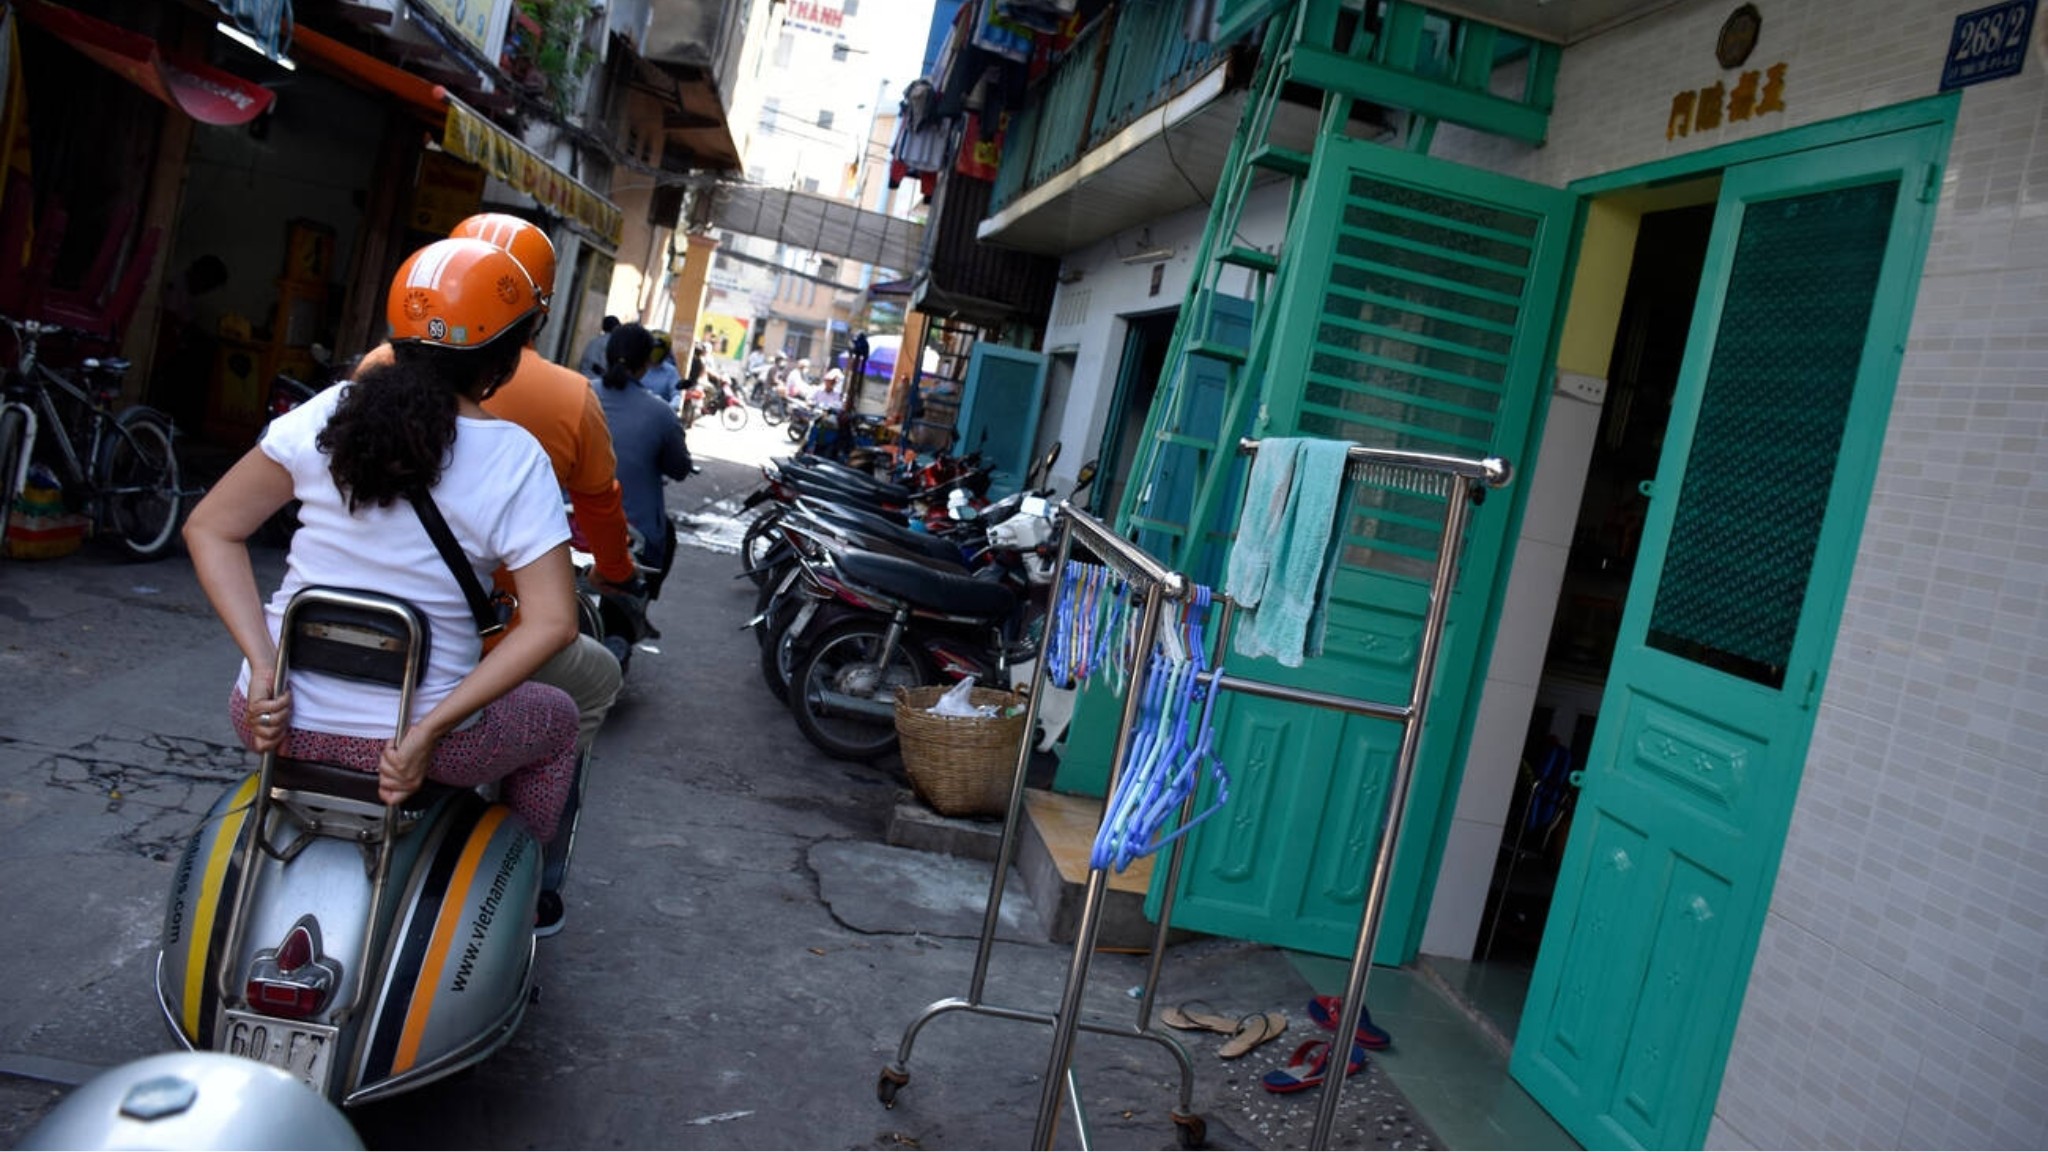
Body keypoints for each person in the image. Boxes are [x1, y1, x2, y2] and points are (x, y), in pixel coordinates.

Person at [183, 238, 579, 941]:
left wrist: (267, 669)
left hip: (272, 721)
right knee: (556, 721)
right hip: (413, 754)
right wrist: (425, 733)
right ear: (506, 355)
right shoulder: (516, 458)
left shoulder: (327, 413)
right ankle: (522, 901)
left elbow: (211, 527)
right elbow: (552, 624)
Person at [353, 215, 642, 935]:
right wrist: (618, 574)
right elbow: (600, 509)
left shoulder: (369, 377)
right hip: (468, 642)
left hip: (355, 623)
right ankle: (530, 874)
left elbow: (223, 522)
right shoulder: (560, 404)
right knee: (593, 682)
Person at [595, 323, 694, 575]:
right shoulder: (661, 413)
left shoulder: (577, 393)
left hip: (566, 520)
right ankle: (639, 607)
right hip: (633, 531)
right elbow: (680, 468)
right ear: (646, 362)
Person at [640, 331, 682, 406]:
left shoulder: (671, 372)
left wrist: (670, 406)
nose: (655, 352)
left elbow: (676, 395)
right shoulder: (637, 366)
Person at [577, 315, 619, 381]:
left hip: (582, 377)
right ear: (616, 328)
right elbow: (603, 367)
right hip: (594, 381)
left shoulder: (594, 341)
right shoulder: (610, 343)